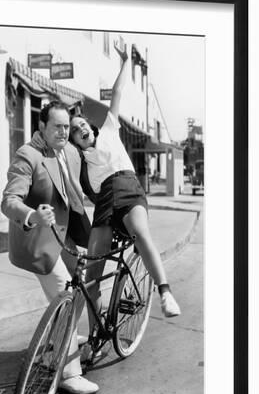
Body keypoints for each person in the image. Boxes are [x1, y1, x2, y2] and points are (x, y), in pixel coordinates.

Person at [69, 40, 181, 321]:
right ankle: (96, 332)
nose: (81, 128)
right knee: (92, 273)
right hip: (106, 204)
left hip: (129, 190)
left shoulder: (108, 129)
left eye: (82, 124)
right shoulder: (81, 163)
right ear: (73, 140)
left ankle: (165, 292)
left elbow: (117, 91)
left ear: (90, 127)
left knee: (141, 233)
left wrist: (126, 62)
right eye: (74, 130)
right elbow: (88, 193)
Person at [1, 101, 99, 394]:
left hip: (66, 235)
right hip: (40, 240)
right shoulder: (27, 155)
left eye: (66, 126)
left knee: (81, 285)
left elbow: (82, 188)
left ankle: (56, 344)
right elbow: (9, 201)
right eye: (57, 126)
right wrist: (32, 216)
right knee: (64, 293)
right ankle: (69, 373)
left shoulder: (69, 150)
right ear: (41, 126)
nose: (63, 132)